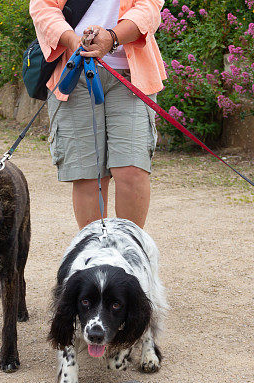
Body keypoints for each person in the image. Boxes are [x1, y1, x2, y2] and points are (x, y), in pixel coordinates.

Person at [29, 0, 166, 229]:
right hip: (73, 72)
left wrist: (112, 37)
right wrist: (72, 40)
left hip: (132, 74)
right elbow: (43, 7)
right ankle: (94, 255)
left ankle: (128, 255)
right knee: (88, 177)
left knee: (132, 171)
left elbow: (149, 7)